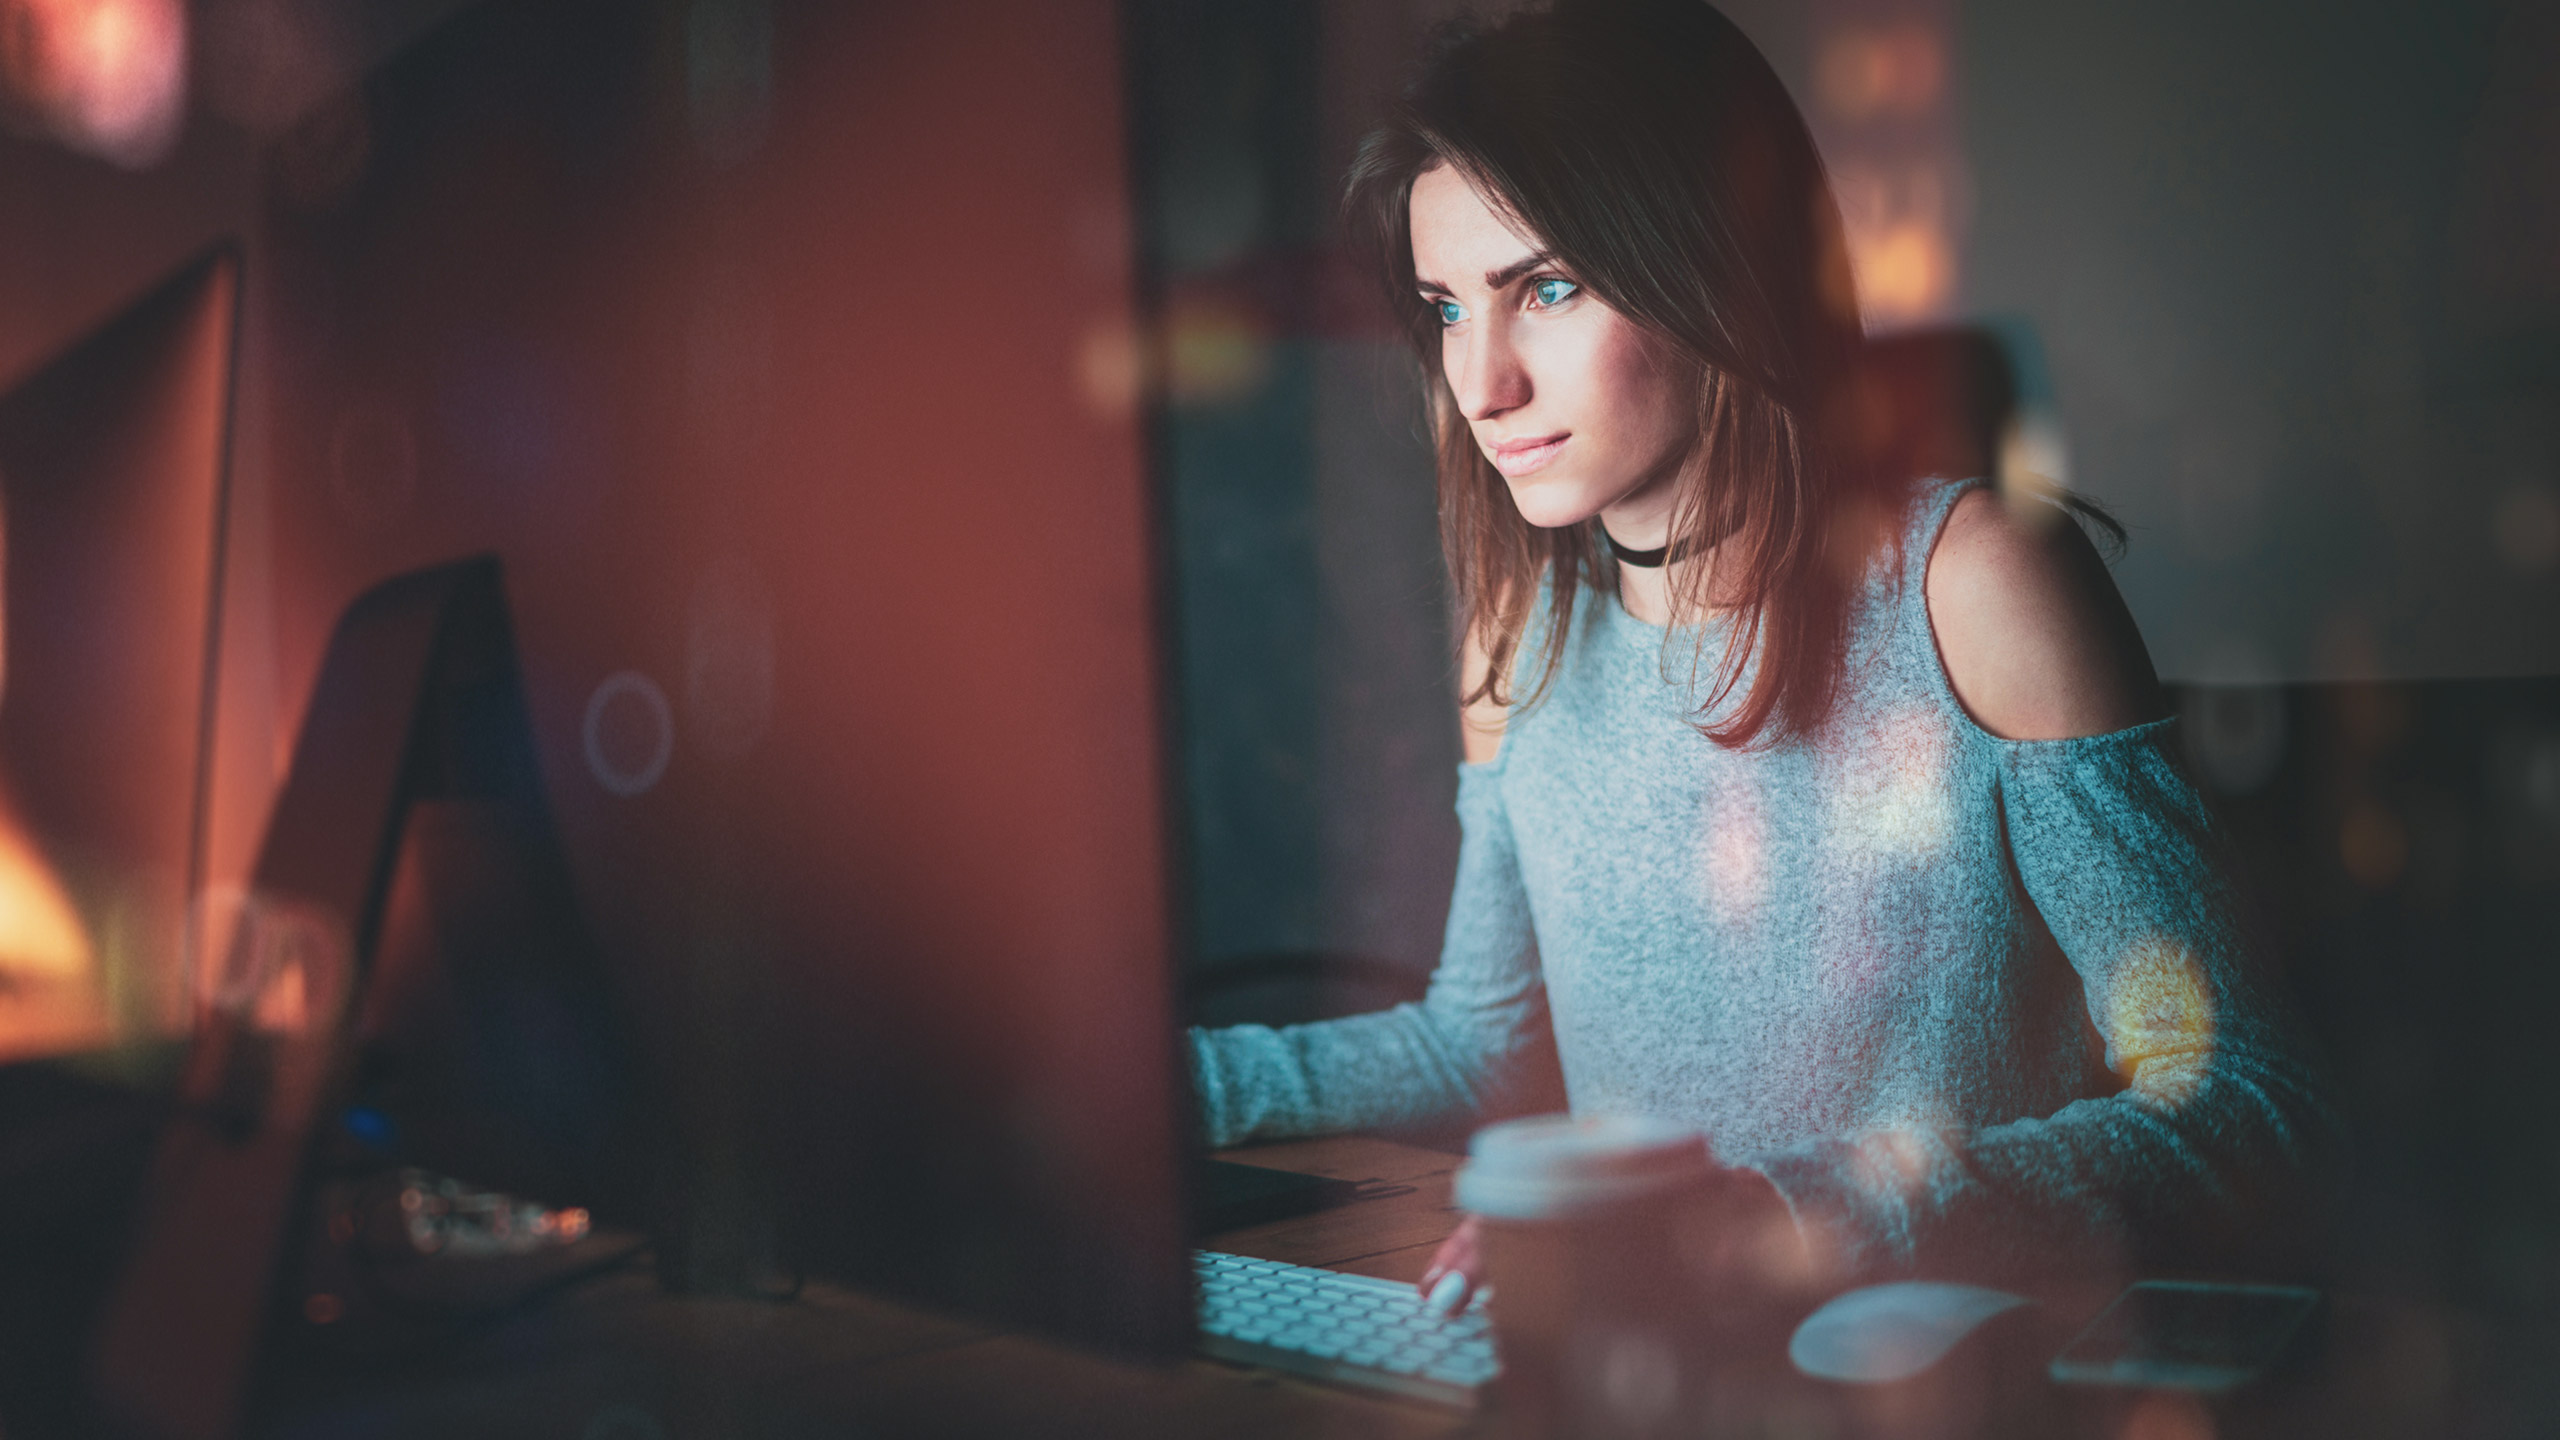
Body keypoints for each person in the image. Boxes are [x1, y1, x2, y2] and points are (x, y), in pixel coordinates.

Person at [1185, 0, 2334, 1305]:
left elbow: (2242, 1097)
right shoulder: (1519, 640)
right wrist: (1168, 1089)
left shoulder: (1978, 585)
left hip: (1945, 1373)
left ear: (1712, 269)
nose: (1481, 381)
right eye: (1447, 309)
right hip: (1657, 1370)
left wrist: (1787, 1220)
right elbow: (1478, 1049)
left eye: (1546, 288)